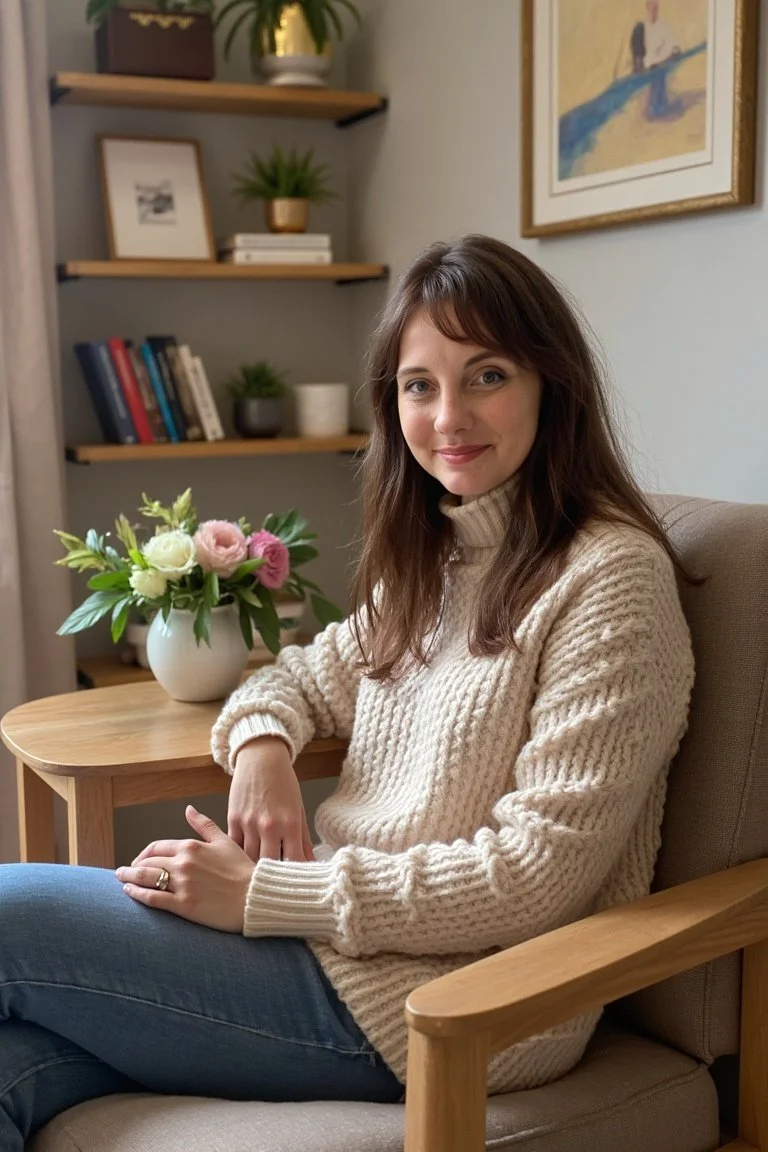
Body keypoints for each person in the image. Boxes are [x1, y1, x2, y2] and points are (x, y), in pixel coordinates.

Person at [0, 235, 694, 1148]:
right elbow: (293, 677)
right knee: (14, 1065)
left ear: (550, 384)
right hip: (334, 941)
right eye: (419, 384)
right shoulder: (436, 561)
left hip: (453, 1000)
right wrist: (261, 753)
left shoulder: (612, 581)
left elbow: (534, 877)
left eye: (486, 375)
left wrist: (266, 896)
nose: (449, 415)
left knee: (10, 911)